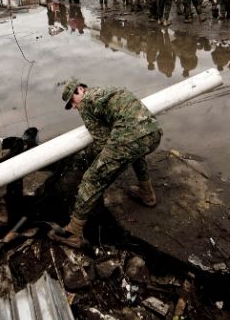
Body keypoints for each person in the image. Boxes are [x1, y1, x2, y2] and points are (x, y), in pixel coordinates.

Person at [51, 79, 163, 248]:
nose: (74, 107)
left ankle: (73, 232)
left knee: (91, 179)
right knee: (136, 154)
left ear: (80, 89)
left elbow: (101, 142)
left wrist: (92, 160)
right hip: (153, 134)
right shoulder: (108, 90)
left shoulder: (87, 103)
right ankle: (147, 194)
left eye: (72, 102)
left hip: (130, 137)